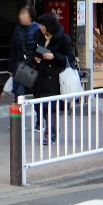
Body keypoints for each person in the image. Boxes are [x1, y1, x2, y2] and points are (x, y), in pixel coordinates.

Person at [32, 13, 74, 146]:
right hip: (40, 76)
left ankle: (50, 133)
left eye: (42, 25)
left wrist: (53, 56)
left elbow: (70, 58)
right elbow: (34, 51)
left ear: (49, 26)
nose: (40, 27)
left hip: (55, 78)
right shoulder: (38, 36)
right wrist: (36, 57)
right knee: (40, 106)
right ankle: (51, 130)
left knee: (51, 107)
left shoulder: (63, 39)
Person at [8, 6, 40, 103]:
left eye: (24, 14)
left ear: (31, 16)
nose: (21, 16)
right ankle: (18, 115)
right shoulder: (17, 30)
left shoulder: (38, 28)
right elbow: (14, 49)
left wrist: (38, 57)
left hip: (32, 65)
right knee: (18, 91)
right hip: (19, 65)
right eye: (20, 14)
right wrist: (11, 69)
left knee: (21, 91)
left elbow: (43, 46)